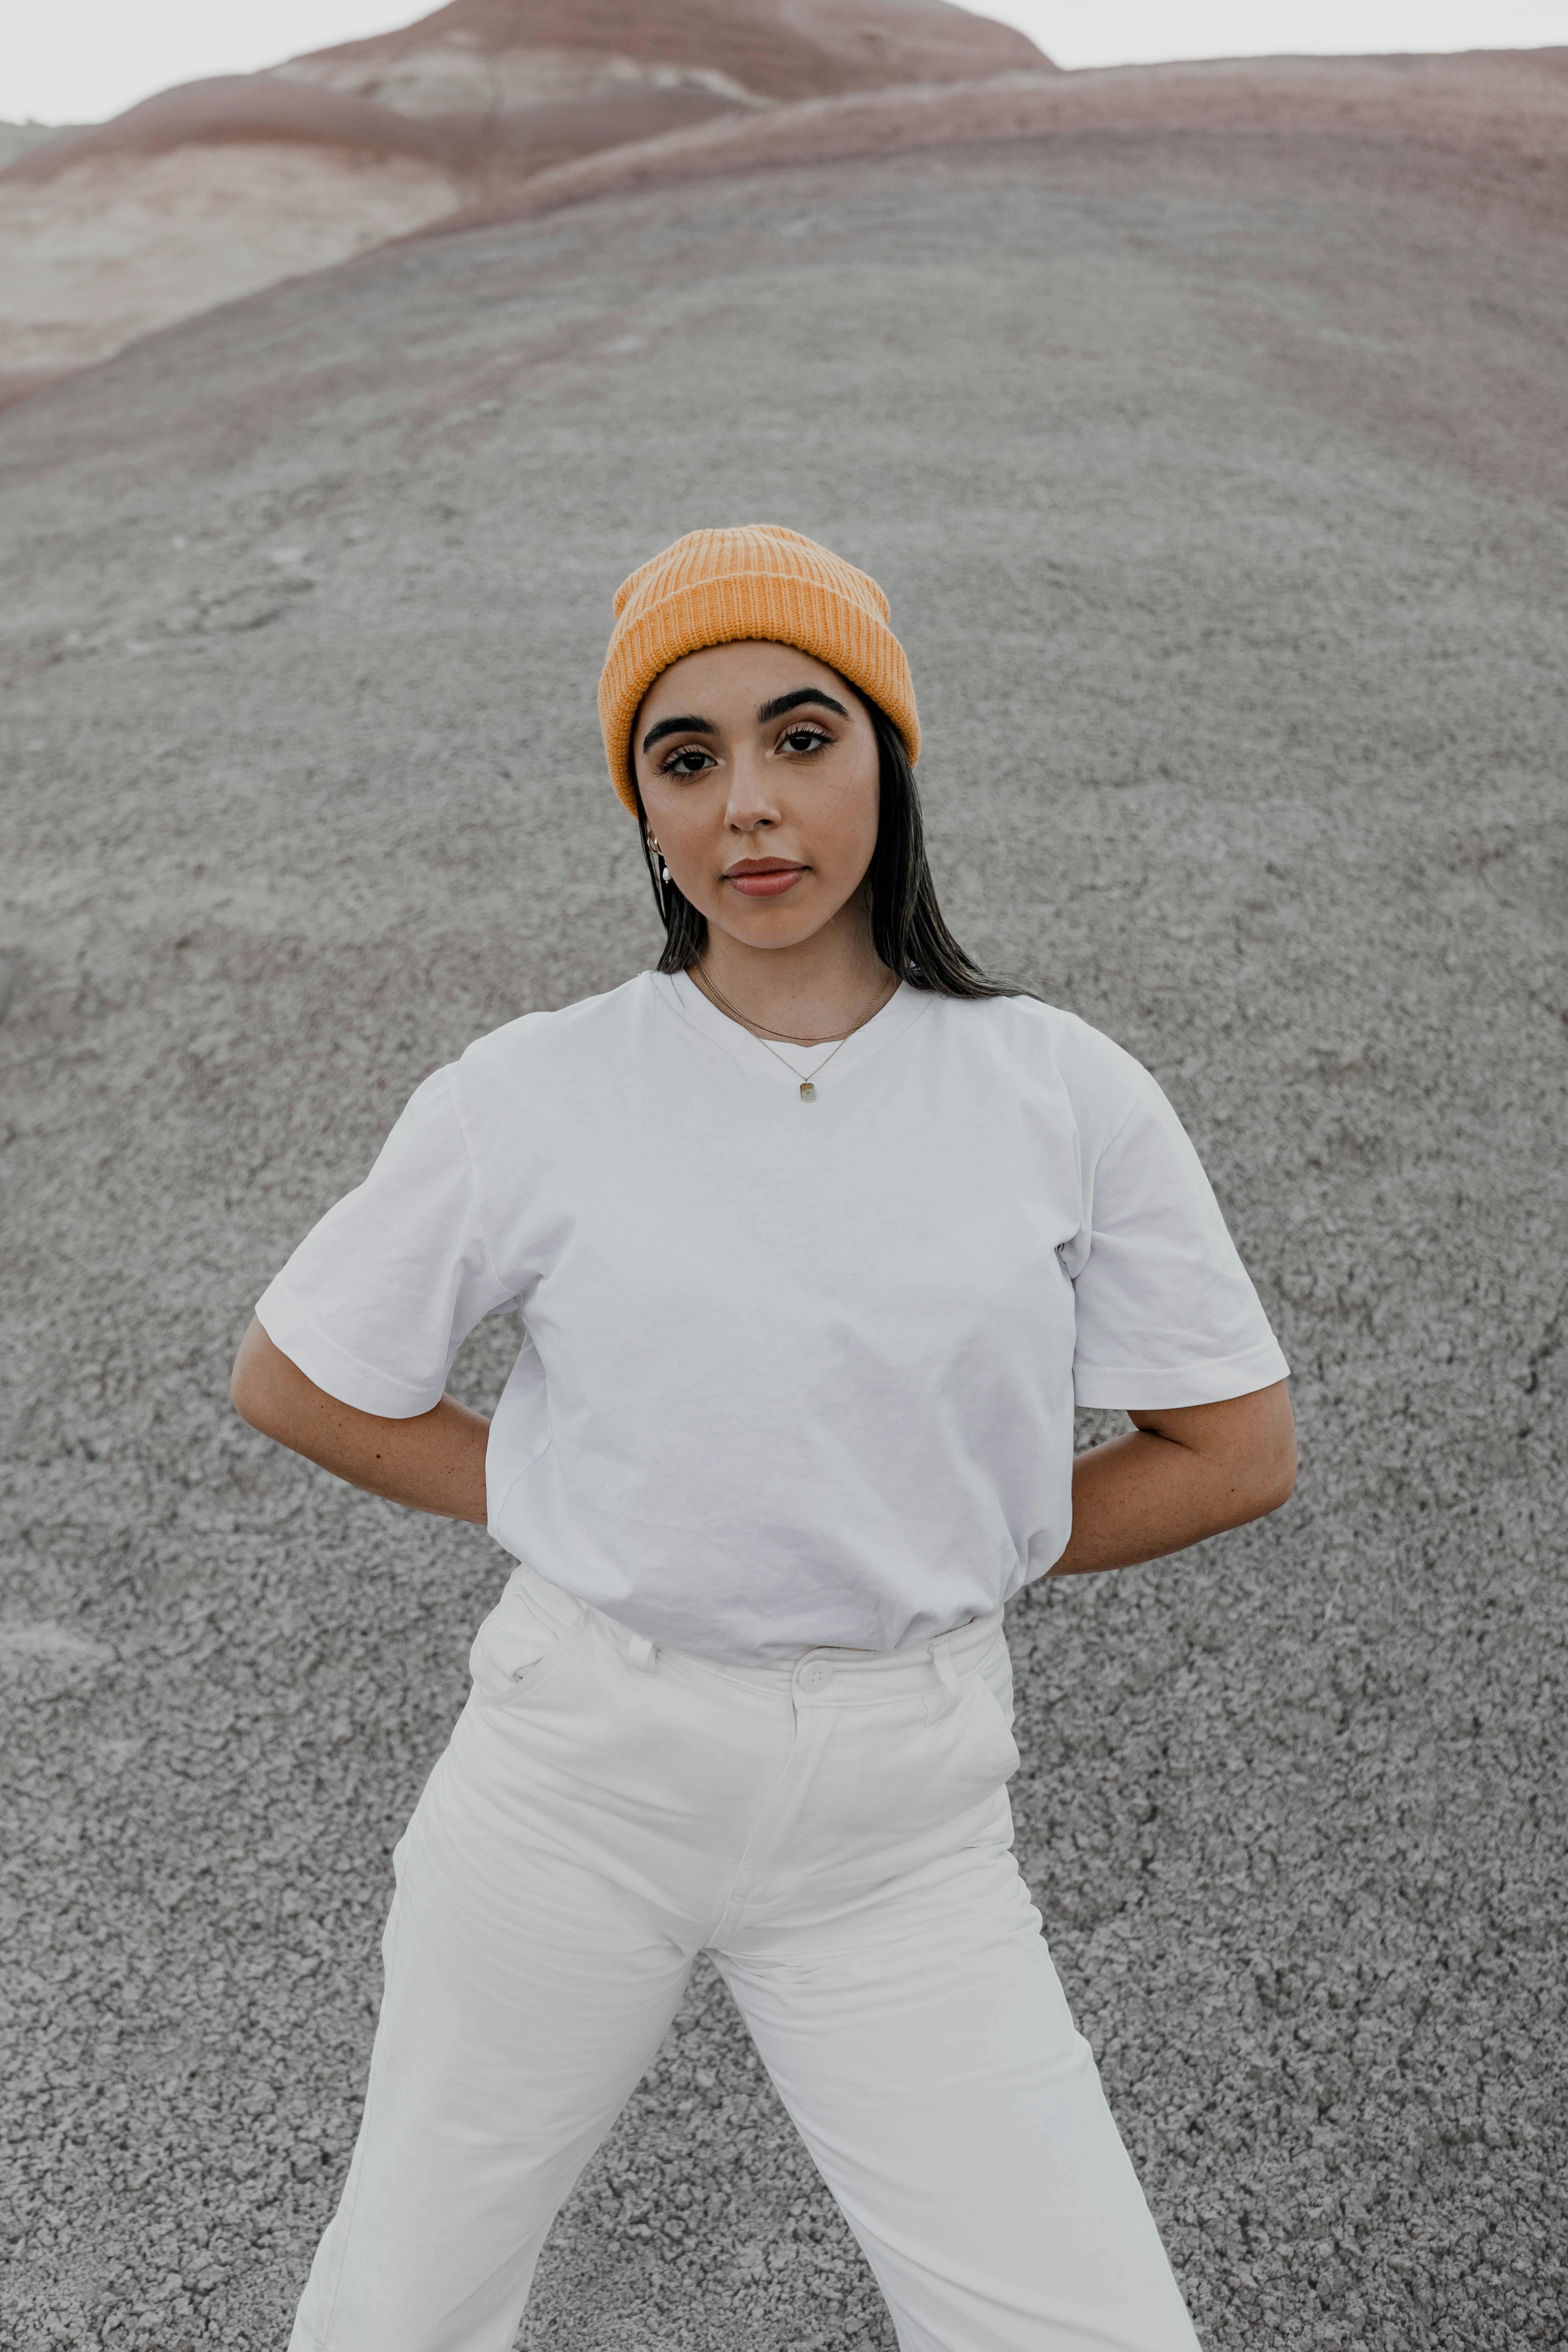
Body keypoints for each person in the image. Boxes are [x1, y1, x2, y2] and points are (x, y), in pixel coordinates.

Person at [231, 524, 1295, 2352]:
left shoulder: (1057, 1088)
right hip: (575, 1791)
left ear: (886, 754)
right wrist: (583, 1498)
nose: (750, 806)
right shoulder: (537, 1091)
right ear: (642, 810)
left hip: (903, 1829)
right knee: (403, 2300)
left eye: (803, 738)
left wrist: (943, 1528)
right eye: (687, 756)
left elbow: (1231, 1445)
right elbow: (298, 1372)